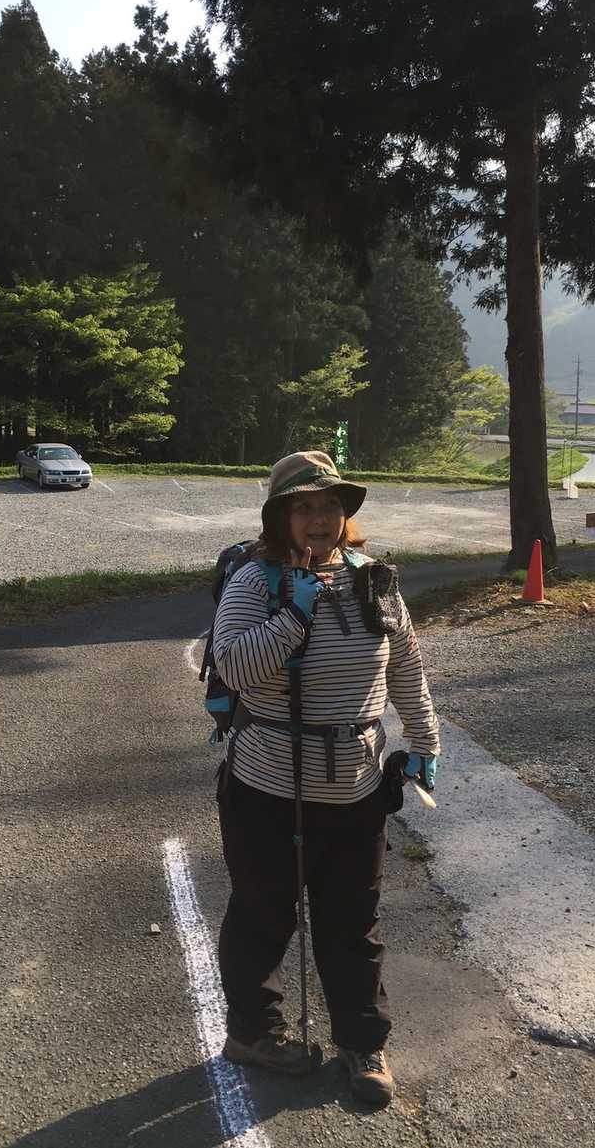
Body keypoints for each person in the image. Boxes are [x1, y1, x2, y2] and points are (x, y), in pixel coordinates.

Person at [211, 449, 440, 1107]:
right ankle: (253, 1033)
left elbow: (406, 665)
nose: (319, 518)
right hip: (267, 787)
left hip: (356, 788)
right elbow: (236, 669)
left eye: (331, 505)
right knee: (262, 915)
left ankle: (363, 1042)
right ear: (280, 516)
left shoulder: (374, 581)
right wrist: (294, 615)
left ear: (345, 513)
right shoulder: (255, 582)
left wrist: (426, 741)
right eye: (305, 506)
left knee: (353, 922)